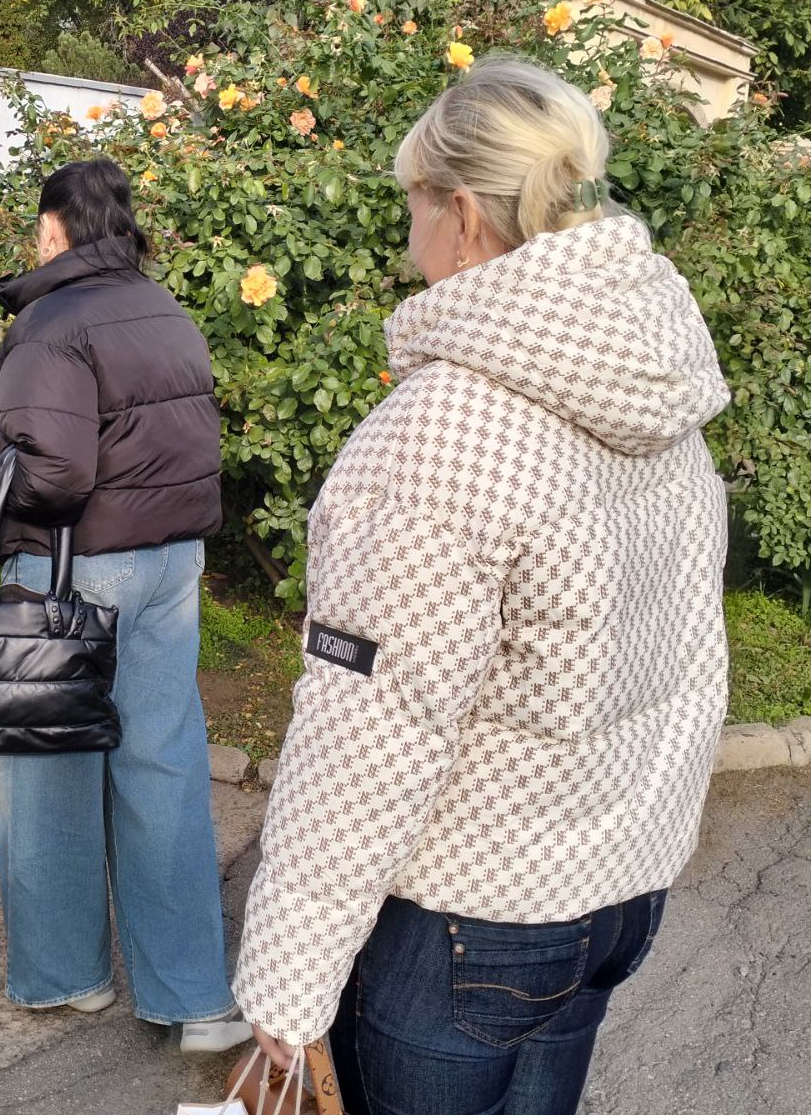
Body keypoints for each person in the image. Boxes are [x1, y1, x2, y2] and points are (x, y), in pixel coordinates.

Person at [232, 57, 732, 1114]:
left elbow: (373, 729)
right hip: (617, 887)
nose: (405, 229)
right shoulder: (650, 381)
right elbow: (686, 635)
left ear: (459, 214)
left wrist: (287, 974)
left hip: (473, 916)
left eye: (411, 200)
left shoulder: (444, 431)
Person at [0, 158, 252, 1053]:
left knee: (42, 771)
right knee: (163, 767)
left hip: (75, 572)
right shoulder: (165, 309)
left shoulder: (50, 321)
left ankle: (69, 978)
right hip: (170, 566)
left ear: (54, 229)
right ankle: (194, 1001)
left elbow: (54, 472)